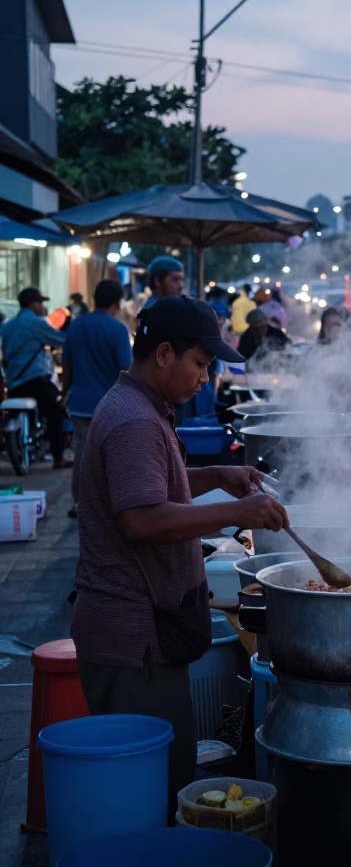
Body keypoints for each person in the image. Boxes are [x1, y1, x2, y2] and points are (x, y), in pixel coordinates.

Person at [71, 295, 289, 815]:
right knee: (152, 789)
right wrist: (240, 513)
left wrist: (215, 478)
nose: (204, 378)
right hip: (132, 639)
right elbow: (141, 518)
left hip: (142, 633)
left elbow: (145, 485)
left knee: (158, 777)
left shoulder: (137, 407)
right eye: (200, 363)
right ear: (163, 354)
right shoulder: (135, 421)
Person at [62, 279, 133, 520]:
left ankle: (79, 502)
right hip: (111, 404)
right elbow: (126, 367)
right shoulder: (117, 329)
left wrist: (65, 392)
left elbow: (67, 364)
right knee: (115, 454)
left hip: (80, 403)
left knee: (83, 454)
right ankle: (113, 502)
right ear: (117, 302)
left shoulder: (75, 326)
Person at [0, 287, 68, 468]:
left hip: (14, 382)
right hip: (35, 380)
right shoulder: (35, 323)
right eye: (40, 303)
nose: (42, 307)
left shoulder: (7, 326)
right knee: (56, 411)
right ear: (33, 304)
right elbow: (61, 339)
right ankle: (58, 456)